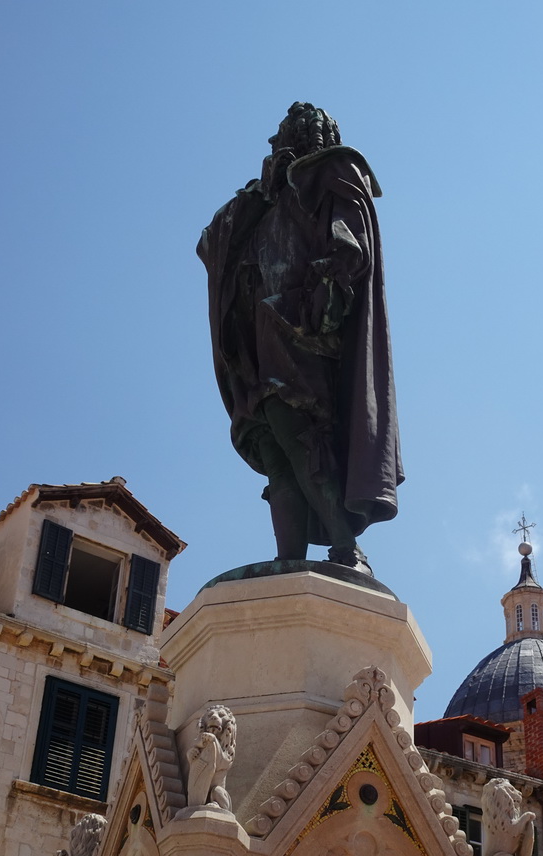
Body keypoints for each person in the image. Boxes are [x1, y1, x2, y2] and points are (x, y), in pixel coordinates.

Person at [197, 102, 402, 574]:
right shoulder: (259, 203)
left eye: (304, 130)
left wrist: (328, 288)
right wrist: (258, 193)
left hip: (300, 329)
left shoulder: (330, 174)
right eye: (286, 132)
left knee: (299, 436)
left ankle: (347, 549)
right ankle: (288, 560)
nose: (290, 138)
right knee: (273, 444)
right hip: (253, 338)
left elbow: (350, 241)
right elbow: (212, 241)